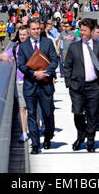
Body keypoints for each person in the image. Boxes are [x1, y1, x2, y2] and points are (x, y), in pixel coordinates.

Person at [64, 18, 99, 153]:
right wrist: (69, 83)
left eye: (85, 30)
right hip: (77, 86)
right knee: (78, 112)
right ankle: (81, 134)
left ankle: (90, 140)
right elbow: (68, 66)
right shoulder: (74, 47)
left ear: (91, 31)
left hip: (94, 86)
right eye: (81, 30)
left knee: (93, 115)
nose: (82, 33)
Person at [18, 18, 58, 154]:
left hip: (45, 84)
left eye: (38, 29)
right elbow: (21, 65)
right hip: (30, 85)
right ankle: (35, 144)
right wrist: (34, 73)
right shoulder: (23, 46)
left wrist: (45, 72)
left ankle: (48, 137)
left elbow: (55, 60)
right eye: (33, 29)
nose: (36, 31)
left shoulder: (47, 43)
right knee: (31, 114)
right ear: (28, 30)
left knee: (47, 114)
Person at [0, 25, 30, 142]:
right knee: (22, 107)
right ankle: (24, 132)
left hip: (32, 80)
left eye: (24, 34)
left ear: (28, 35)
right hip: (20, 81)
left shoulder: (34, 47)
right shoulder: (16, 49)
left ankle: (37, 127)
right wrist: (6, 58)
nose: (22, 37)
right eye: (20, 35)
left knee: (34, 107)